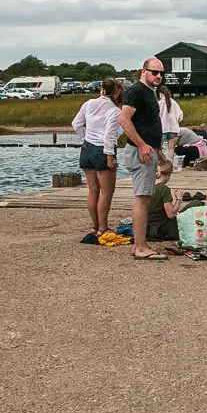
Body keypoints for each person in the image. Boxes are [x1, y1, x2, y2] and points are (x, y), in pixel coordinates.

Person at [119, 58, 168, 261]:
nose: (158, 76)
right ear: (143, 71)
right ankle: (140, 247)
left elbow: (148, 123)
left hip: (149, 150)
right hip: (141, 153)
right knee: (142, 199)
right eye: (154, 72)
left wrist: (157, 148)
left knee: (145, 198)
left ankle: (139, 245)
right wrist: (142, 145)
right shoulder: (137, 91)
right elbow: (123, 119)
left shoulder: (149, 92)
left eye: (161, 73)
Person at [72, 78, 123, 238]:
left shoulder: (88, 103)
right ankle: (103, 227)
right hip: (103, 149)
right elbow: (109, 134)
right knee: (107, 192)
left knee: (93, 190)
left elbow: (76, 124)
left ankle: (95, 226)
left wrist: (86, 137)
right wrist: (109, 156)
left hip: (87, 147)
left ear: (102, 89)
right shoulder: (114, 111)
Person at [158, 86, 183, 161]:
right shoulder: (174, 103)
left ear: (160, 94)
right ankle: (170, 167)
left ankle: (161, 166)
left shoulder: (159, 103)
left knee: (158, 149)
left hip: (162, 129)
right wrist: (175, 122)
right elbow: (180, 116)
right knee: (171, 149)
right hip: (173, 129)